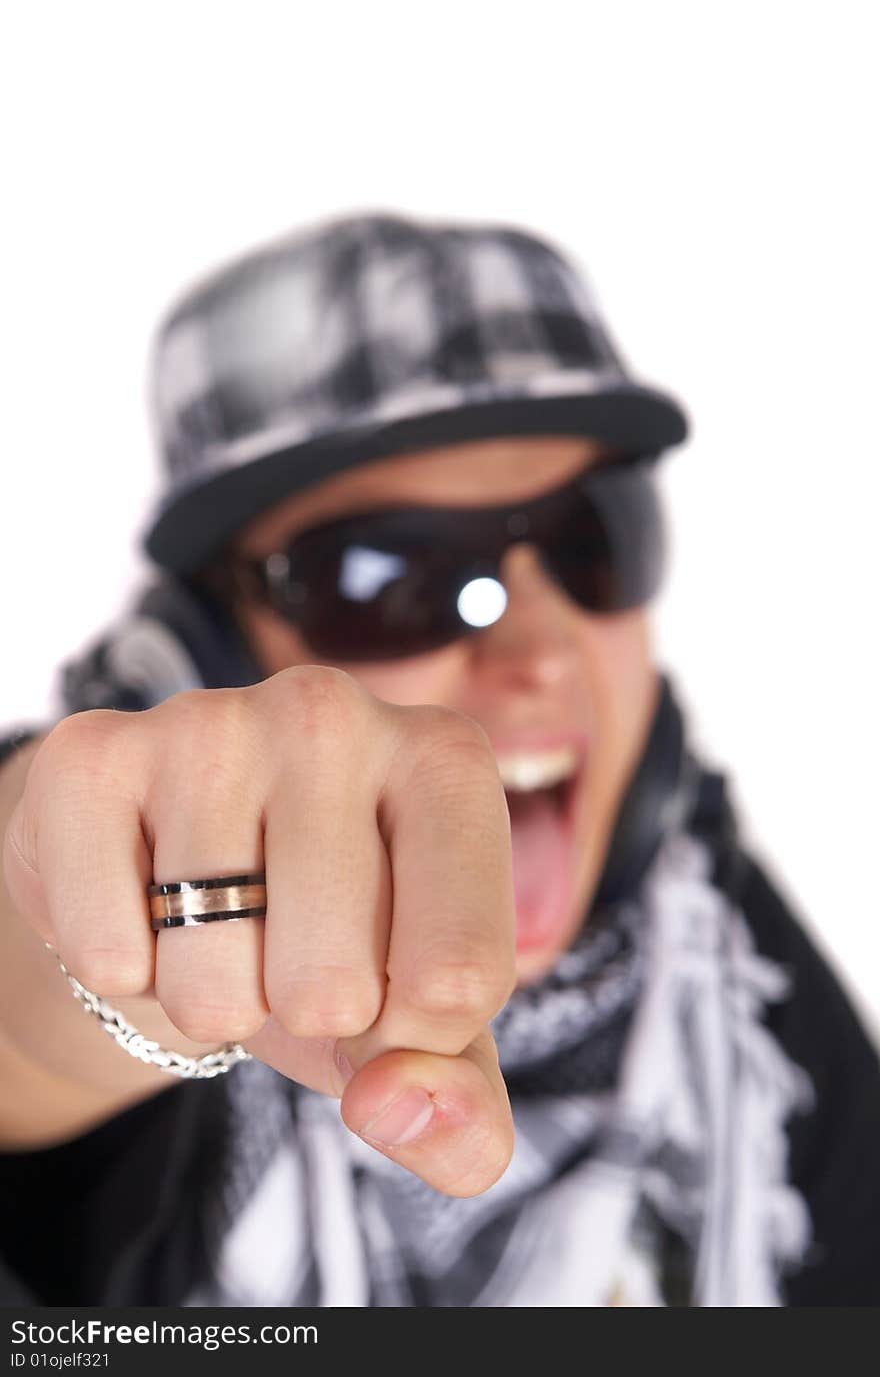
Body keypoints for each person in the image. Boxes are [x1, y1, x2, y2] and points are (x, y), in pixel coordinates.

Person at [0, 213, 878, 1309]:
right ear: (207, 650)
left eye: (593, 538)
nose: (540, 652)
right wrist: (91, 934)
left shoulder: (718, 943)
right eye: (395, 576)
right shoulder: (148, 934)